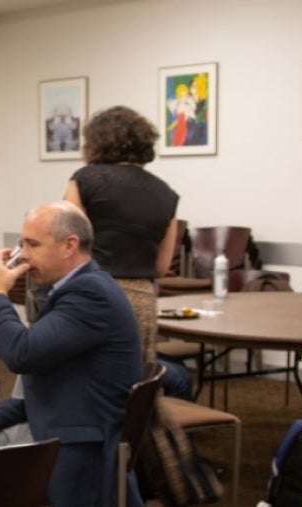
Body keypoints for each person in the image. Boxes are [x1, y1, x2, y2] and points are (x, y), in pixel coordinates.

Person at [0, 201, 142, 507]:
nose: (23, 256)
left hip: (81, 445)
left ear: (70, 245)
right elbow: (43, 383)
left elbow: (21, 355)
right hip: (72, 420)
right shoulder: (77, 288)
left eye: (31, 244)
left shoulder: (89, 295)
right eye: (21, 244)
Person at [64, 105, 180, 371]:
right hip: (141, 301)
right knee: (135, 380)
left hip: (93, 294)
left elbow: (67, 243)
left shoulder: (84, 180)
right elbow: (161, 267)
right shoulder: (166, 194)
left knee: (88, 377)